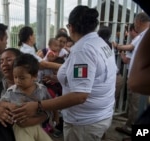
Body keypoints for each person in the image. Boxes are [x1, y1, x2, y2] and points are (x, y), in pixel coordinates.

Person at [13, 5, 117, 141]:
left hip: (84, 123)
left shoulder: (82, 50)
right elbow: (93, 75)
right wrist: (62, 78)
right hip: (101, 113)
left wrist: (38, 106)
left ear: (71, 27)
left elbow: (79, 96)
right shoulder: (99, 43)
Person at [0, 53, 53, 141]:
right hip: (20, 127)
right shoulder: (11, 91)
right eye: (15, 77)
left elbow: (51, 104)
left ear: (34, 76)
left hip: (39, 125)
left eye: (22, 78)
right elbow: (1, 102)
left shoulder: (41, 89)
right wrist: (9, 105)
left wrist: (55, 117)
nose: (17, 81)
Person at [114, 12, 150, 137]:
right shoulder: (144, 35)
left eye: (135, 24)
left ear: (138, 22)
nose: (134, 27)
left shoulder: (146, 35)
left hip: (143, 81)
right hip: (142, 80)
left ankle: (135, 132)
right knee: (136, 106)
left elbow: (130, 47)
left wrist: (117, 46)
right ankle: (132, 129)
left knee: (137, 105)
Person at [98, 26, 124, 101]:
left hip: (108, 80)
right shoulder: (111, 45)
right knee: (110, 105)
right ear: (110, 36)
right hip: (117, 77)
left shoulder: (97, 46)